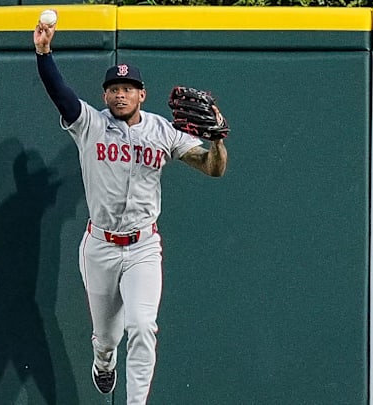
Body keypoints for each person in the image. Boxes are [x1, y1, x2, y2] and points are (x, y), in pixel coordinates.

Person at [33, 15, 228, 404]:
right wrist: (44, 54)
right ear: (105, 96)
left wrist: (219, 142)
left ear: (142, 94)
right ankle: (103, 362)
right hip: (100, 246)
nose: (120, 94)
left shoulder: (162, 131)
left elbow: (212, 168)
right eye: (114, 89)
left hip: (142, 247)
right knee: (107, 337)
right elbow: (61, 94)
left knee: (142, 326)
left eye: (128, 88)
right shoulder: (89, 124)